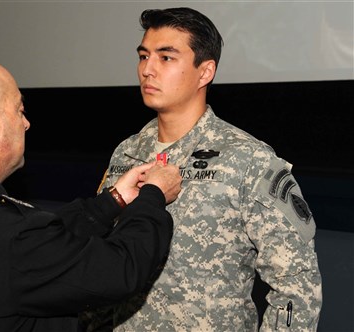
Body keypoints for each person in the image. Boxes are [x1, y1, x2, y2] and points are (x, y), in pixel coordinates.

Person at [0, 57, 183, 332]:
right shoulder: (5, 235)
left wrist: (113, 201)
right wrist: (154, 195)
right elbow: (120, 270)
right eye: (18, 110)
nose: (26, 123)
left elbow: (41, 245)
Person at [83, 7, 322, 331]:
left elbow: (296, 284)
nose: (147, 70)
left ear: (205, 71)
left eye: (166, 58)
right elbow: (100, 260)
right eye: (143, 56)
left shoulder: (247, 158)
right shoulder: (127, 153)